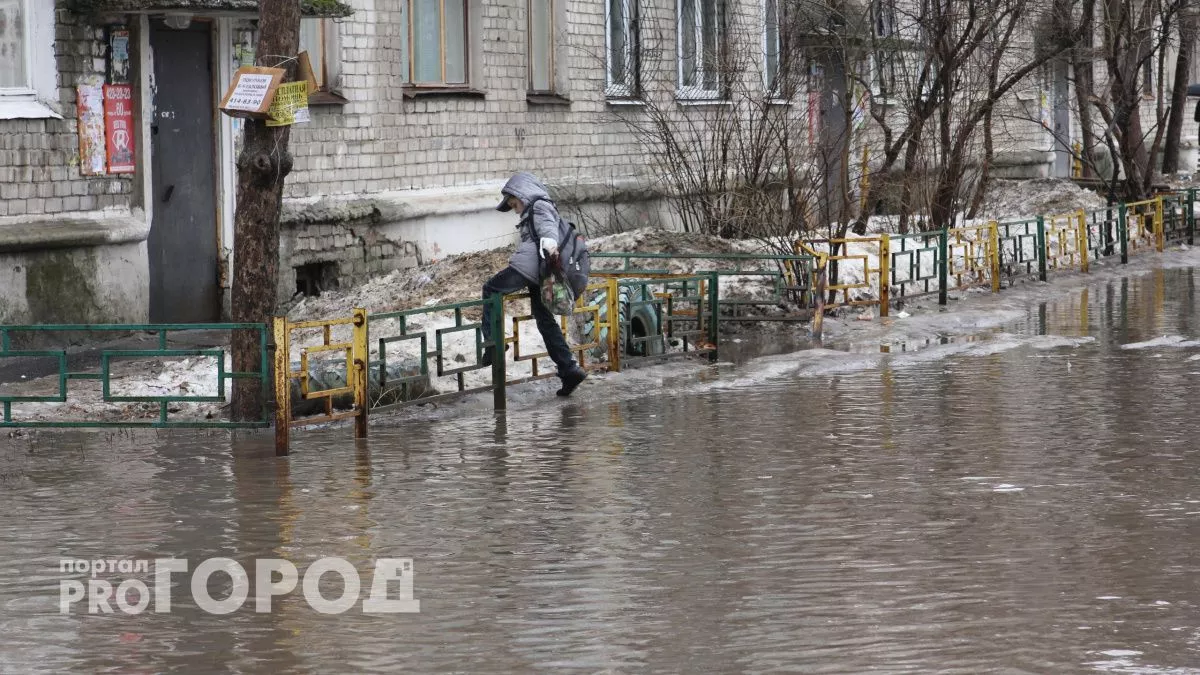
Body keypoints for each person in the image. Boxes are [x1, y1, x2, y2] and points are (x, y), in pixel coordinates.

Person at [481, 172, 587, 397]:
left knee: (491, 289)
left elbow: (547, 227)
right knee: (544, 319)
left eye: (514, 203)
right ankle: (569, 369)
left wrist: (550, 244)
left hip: (529, 268)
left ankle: (493, 345)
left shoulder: (539, 205)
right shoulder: (534, 208)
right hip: (539, 271)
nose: (514, 208)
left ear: (523, 194)